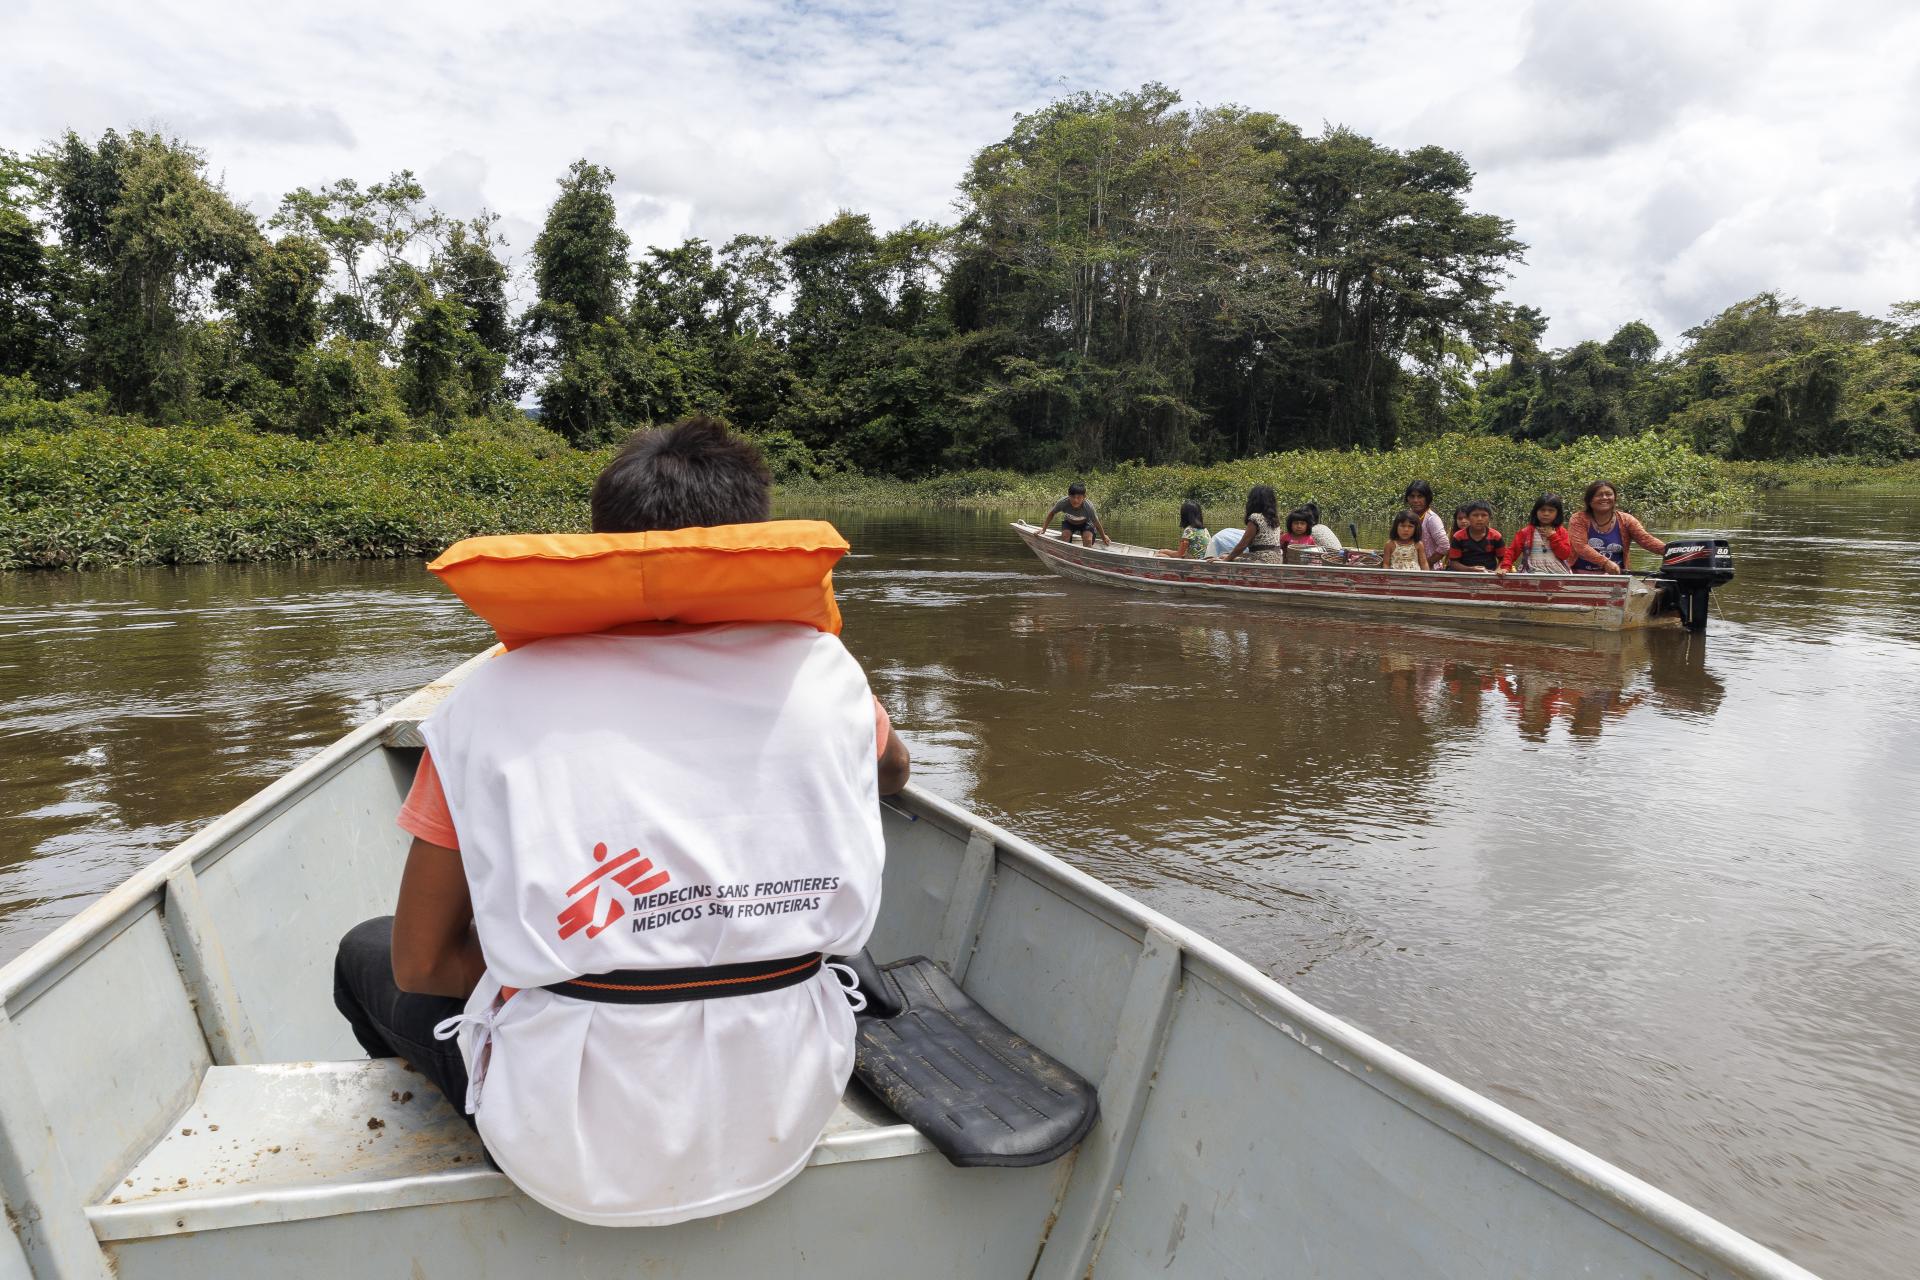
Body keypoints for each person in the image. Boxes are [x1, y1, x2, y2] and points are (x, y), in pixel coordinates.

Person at [332, 415, 912, 1228]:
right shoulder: (830, 678)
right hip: (783, 1112)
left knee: (363, 953)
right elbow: (892, 771)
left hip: (565, 1151)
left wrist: (548, 961)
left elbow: (423, 962)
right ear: (752, 542)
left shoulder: (490, 702)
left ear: (603, 546)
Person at [1567, 480, 1665, 574]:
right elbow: (1581, 547)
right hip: (1580, 574)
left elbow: (1646, 540)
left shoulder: (1626, 520)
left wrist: (1670, 550)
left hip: (1616, 575)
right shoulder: (1578, 519)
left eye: (1609, 494)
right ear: (1589, 500)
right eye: (1599, 495)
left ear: (1615, 498)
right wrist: (1605, 563)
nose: (1604, 498)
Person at [1499, 493, 1573, 575]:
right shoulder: (1525, 532)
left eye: (1551, 510)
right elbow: (1512, 551)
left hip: (1558, 572)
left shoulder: (1562, 532)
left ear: (1557, 513)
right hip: (1532, 571)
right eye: (1542, 510)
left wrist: (1553, 537)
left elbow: (1565, 555)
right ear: (1536, 512)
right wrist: (1505, 567)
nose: (1546, 513)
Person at [1219, 485, 1284, 563]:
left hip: (1261, 561)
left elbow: (1243, 545)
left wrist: (1226, 559)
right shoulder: (1275, 519)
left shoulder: (1255, 518)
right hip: (1277, 558)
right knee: (1229, 555)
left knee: (1223, 556)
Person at [1038, 482, 1110, 546]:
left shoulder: (1088, 506)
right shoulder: (1063, 502)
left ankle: (1086, 557)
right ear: (1069, 495)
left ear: (1084, 497)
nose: (1075, 500)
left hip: (1086, 524)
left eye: (1079, 497)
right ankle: (1066, 555)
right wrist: (1043, 529)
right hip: (1070, 522)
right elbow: (1051, 513)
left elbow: (1096, 522)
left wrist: (1103, 537)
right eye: (1073, 497)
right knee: (1065, 536)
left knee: (1088, 540)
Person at [1447, 500, 1505, 572]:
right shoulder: (1458, 536)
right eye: (1475, 515)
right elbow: (1453, 563)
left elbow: (1504, 559)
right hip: (1464, 575)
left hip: (1490, 576)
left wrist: (1497, 572)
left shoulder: (1496, 536)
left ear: (1489, 518)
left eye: (1484, 515)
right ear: (1468, 517)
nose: (1479, 519)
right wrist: (1471, 570)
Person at [1403, 481, 1449, 569]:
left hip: (1428, 569)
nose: (1415, 500)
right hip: (1408, 566)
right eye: (1412, 496)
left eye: (1420, 496)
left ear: (1427, 498)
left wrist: (1427, 563)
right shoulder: (1406, 516)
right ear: (1407, 498)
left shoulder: (1432, 519)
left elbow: (1445, 545)